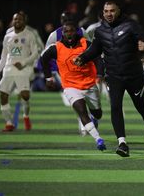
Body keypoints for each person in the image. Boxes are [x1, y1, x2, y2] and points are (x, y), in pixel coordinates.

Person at [74, 1, 144, 158]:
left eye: (112, 11)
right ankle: (122, 143)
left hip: (134, 75)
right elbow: (95, 49)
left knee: (142, 108)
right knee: (115, 107)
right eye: (106, 11)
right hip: (113, 76)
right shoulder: (100, 31)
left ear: (118, 11)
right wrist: (83, 57)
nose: (109, 14)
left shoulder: (131, 25)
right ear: (103, 13)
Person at [41, 21, 106, 151]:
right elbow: (43, 59)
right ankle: (98, 139)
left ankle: (95, 118)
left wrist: (99, 75)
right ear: (62, 34)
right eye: (66, 31)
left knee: (98, 114)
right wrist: (48, 77)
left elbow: (98, 59)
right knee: (81, 111)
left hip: (89, 84)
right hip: (71, 86)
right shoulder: (56, 47)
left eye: (71, 31)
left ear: (76, 32)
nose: (69, 34)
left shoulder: (85, 44)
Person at [0, 12, 39, 131]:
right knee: (3, 95)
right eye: (15, 19)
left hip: (23, 69)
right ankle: (9, 123)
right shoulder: (8, 36)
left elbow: (35, 53)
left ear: (24, 21)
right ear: (12, 21)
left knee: (25, 96)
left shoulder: (30, 35)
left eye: (20, 19)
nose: (17, 21)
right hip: (9, 69)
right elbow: (4, 57)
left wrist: (24, 63)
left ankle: (26, 116)